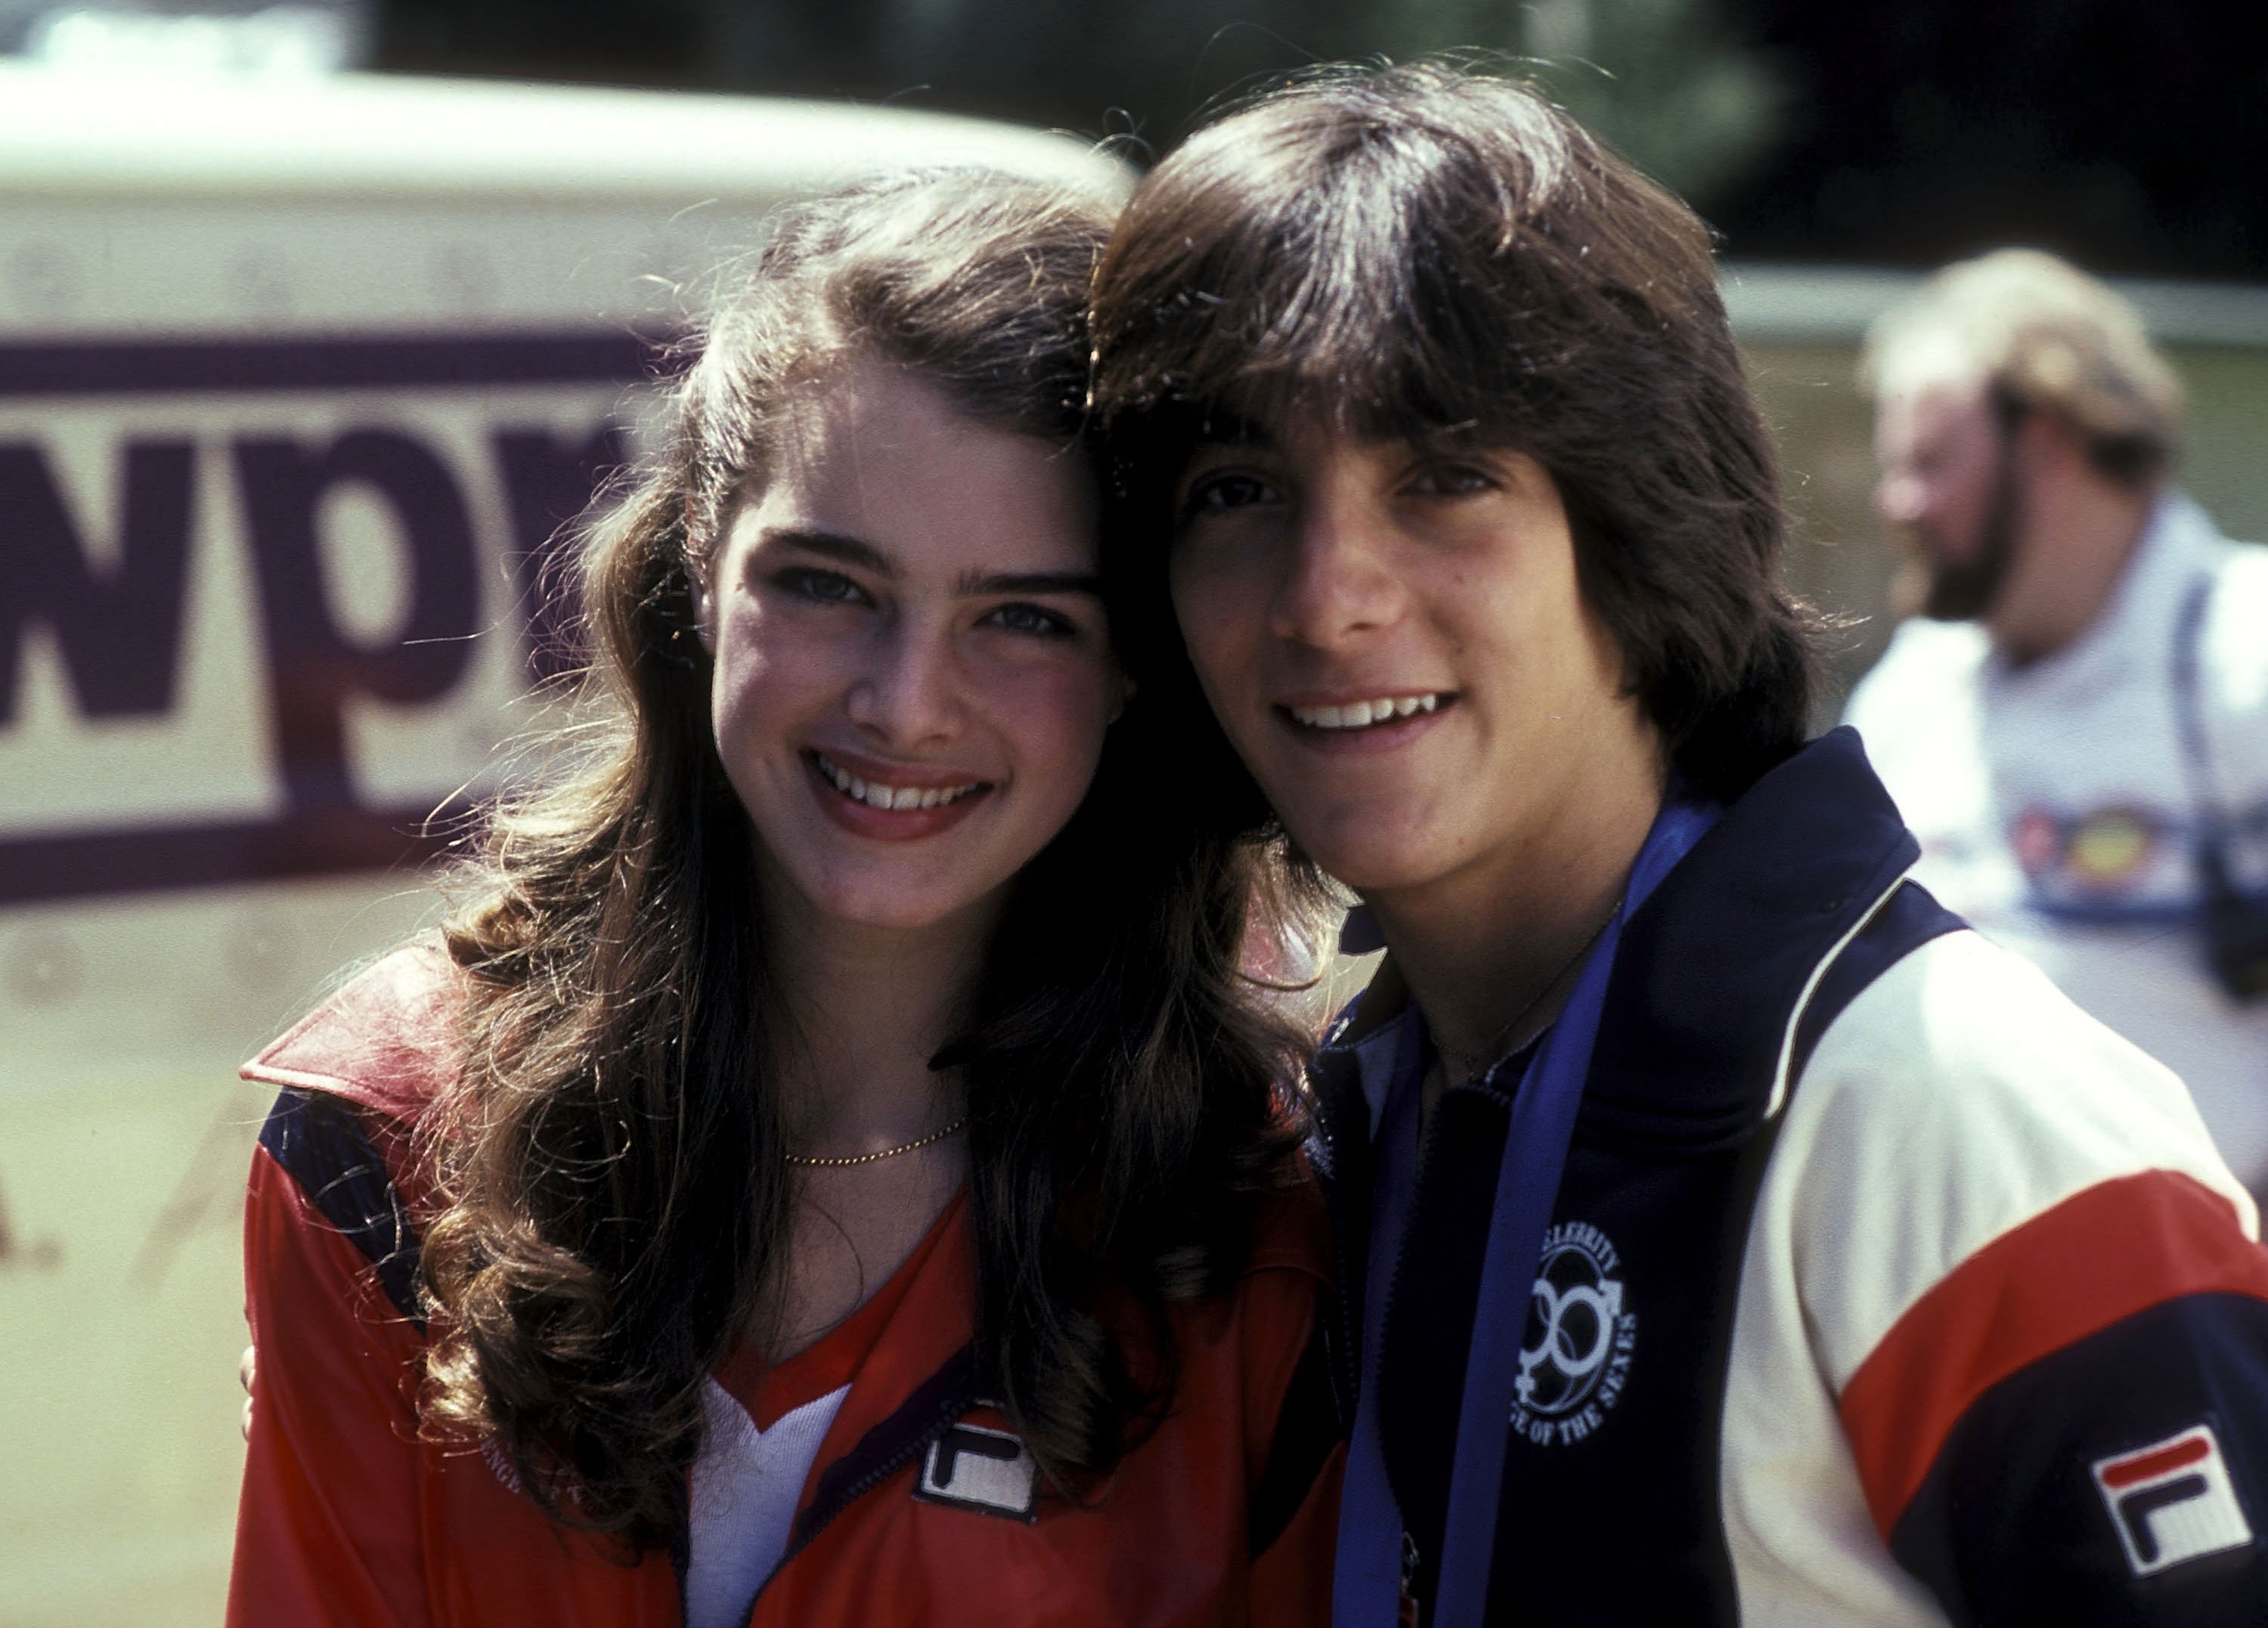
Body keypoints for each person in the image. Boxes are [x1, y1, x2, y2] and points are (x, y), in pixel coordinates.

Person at [1089, 61, 2268, 1627]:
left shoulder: (1946, 1113)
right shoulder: (1351, 1108)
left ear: (1637, 528)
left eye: (1446, 479)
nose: (1326, 594)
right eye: (1237, 490)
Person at [227, 170, 1341, 1628]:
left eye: (1023, 616)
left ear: (1137, 665)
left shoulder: (1264, 1226)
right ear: (700, 561)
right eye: (828, 583)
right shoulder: (386, 1134)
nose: (906, 703)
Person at [1846, 249, 2268, 1193]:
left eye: (1927, 463)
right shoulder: (1914, 692)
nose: (1895, 503)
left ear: (2046, 445)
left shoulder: (2243, 651)